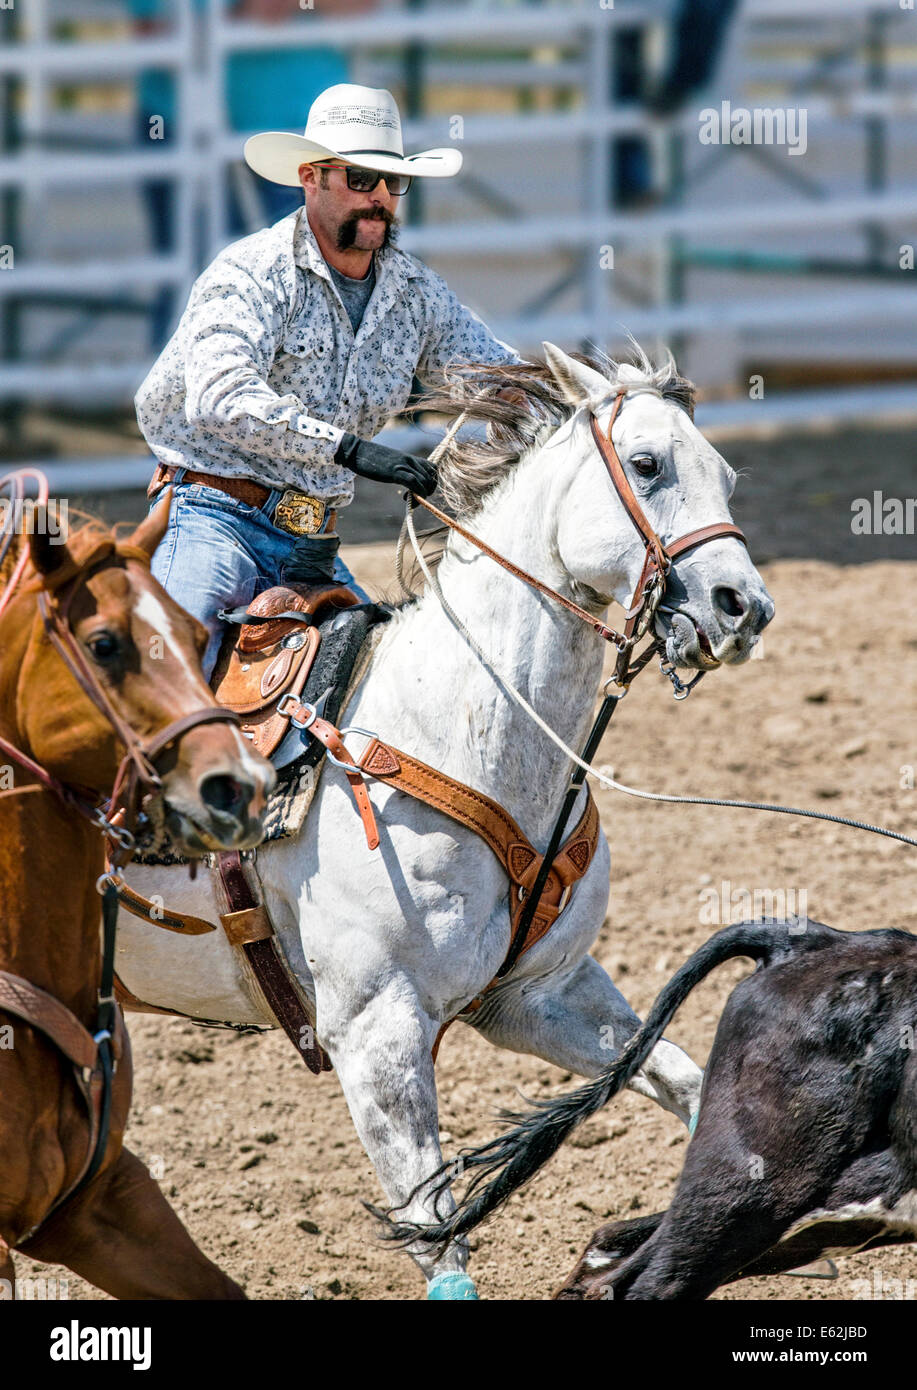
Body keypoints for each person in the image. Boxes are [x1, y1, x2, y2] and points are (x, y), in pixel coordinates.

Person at [136, 84, 522, 681]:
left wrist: (603, 401)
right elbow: (219, 396)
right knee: (165, 679)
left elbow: (497, 379)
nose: (381, 199)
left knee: (392, 685)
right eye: (362, 179)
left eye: (393, 182)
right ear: (309, 177)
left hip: (312, 543)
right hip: (211, 514)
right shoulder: (250, 272)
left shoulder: (415, 294)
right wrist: (347, 448)